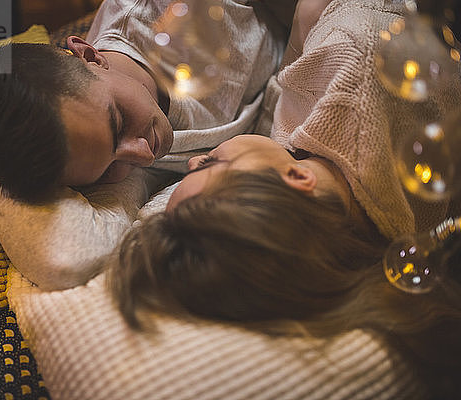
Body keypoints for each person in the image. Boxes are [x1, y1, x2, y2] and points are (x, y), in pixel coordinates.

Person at [107, 0, 461, 397]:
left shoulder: (352, 236)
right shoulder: (350, 61)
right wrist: (305, 29)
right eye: (208, 165)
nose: (192, 163)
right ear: (295, 177)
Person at [0, 0, 291, 204]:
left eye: (120, 121)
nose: (144, 154)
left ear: (90, 55)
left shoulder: (170, 13)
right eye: (111, 168)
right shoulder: (97, 154)